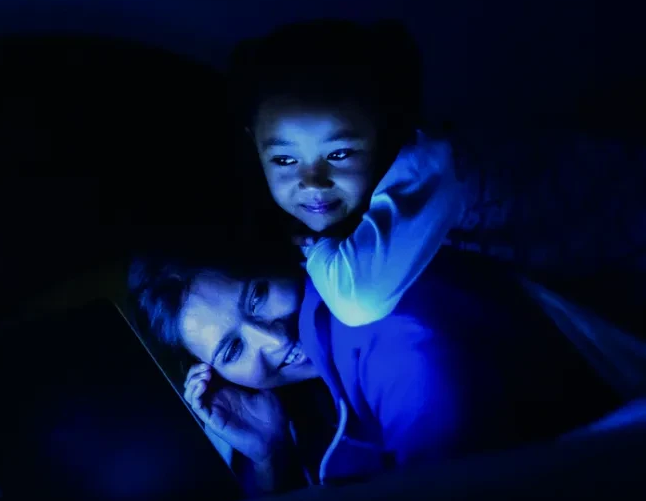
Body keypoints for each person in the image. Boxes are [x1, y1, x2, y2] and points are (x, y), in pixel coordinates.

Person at [229, 19, 646, 334]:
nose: (313, 181)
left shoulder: (426, 166)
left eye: (338, 154)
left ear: (383, 130)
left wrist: (318, 249)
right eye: (285, 161)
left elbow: (359, 301)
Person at [129, 247, 619, 495]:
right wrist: (271, 456)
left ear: (278, 260)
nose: (274, 340)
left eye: (257, 294)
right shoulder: (300, 409)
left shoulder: (385, 332)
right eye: (233, 349)